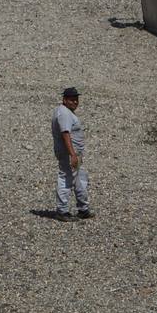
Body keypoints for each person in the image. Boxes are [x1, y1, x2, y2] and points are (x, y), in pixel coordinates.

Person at [51, 87, 91, 220]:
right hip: (69, 154)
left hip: (74, 153)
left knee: (80, 178)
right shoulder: (64, 114)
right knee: (66, 178)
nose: (75, 102)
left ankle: (83, 209)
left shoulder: (65, 112)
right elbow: (65, 134)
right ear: (64, 100)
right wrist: (72, 154)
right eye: (72, 99)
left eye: (76, 99)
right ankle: (62, 211)